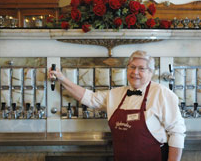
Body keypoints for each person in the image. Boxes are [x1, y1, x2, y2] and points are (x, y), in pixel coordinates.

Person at [49, 50, 186, 161]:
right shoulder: (116, 94)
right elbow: (88, 98)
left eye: (141, 68)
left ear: (151, 72)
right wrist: (62, 78)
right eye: (132, 67)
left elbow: (177, 132)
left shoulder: (161, 93)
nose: (135, 72)